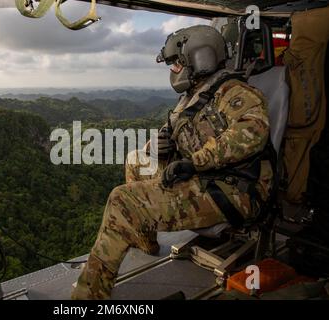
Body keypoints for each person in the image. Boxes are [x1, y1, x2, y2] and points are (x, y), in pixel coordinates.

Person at [71, 25, 273, 300]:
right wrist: (162, 150)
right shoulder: (194, 96)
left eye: (178, 63)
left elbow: (252, 134)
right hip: (204, 179)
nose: (174, 70)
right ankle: (146, 239)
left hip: (234, 191)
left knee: (122, 199)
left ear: (200, 59)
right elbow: (183, 142)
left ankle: (87, 298)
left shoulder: (235, 93)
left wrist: (194, 162)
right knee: (135, 161)